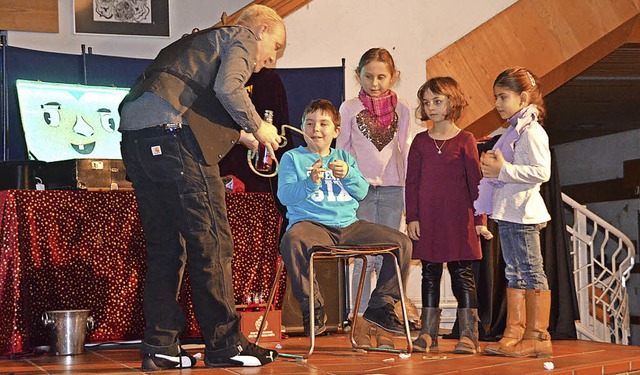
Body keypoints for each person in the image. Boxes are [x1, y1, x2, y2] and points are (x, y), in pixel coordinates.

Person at [118, 5, 285, 371]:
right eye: (272, 50)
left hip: (136, 139)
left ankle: (160, 346)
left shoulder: (195, 43)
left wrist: (243, 137)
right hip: (176, 140)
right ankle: (225, 345)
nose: (264, 63)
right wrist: (260, 127)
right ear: (262, 30)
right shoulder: (239, 35)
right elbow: (229, 88)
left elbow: (192, 100)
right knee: (211, 243)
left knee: (166, 247)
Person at [277, 99, 412, 339]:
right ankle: (313, 307)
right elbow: (285, 196)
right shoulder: (292, 158)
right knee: (292, 239)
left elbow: (360, 192)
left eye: (323, 124)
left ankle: (381, 305)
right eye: (309, 123)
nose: (316, 129)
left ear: (336, 131)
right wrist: (310, 183)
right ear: (302, 127)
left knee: (402, 243)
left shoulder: (344, 158)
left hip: (349, 226)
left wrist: (348, 175)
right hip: (312, 225)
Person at [405, 77, 493, 354]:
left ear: (452, 102)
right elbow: (412, 183)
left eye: (437, 101)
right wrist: (412, 218)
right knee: (429, 273)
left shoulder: (466, 140)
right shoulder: (419, 142)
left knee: (462, 274)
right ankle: (428, 333)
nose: (431, 107)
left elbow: (476, 183)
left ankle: (468, 334)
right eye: (426, 102)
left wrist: (480, 221)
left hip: (459, 220)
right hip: (428, 219)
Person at [337, 48, 415, 349]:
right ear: (358, 75)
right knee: (364, 257)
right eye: (368, 76)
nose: (375, 82)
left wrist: (410, 199)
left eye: (381, 76)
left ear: (392, 77)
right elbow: (342, 152)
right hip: (361, 191)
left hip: (394, 189)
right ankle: (357, 319)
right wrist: (347, 192)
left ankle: (380, 318)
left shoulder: (403, 109)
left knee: (389, 256)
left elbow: (405, 151)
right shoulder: (349, 108)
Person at [474, 67, 552, 358]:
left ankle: (537, 336)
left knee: (531, 271)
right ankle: (515, 332)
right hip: (509, 212)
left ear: (523, 97)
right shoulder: (513, 130)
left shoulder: (531, 131)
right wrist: (493, 167)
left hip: (523, 214)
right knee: (514, 272)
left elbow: (541, 172)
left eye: (502, 97)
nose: (497, 104)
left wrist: (502, 169)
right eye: (496, 97)